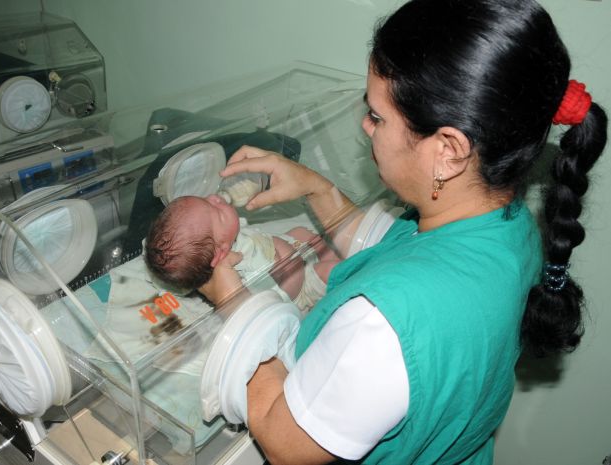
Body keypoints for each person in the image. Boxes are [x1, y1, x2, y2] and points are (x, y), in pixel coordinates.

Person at [197, 0, 609, 463]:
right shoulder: (512, 229)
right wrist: (317, 189)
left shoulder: (381, 328)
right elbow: (400, 248)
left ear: (449, 150)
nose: (364, 124)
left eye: (377, 116)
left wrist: (232, 300)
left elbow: (285, 442)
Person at [144, 194, 340, 312]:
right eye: (217, 211)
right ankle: (338, 272)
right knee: (330, 271)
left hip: (291, 246)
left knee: (302, 232)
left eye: (206, 200)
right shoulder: (237, 265)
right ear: (220, 253)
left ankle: (334, 256)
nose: (215, 198)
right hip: (302, 287)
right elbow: (286, 269)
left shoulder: (224, 239)